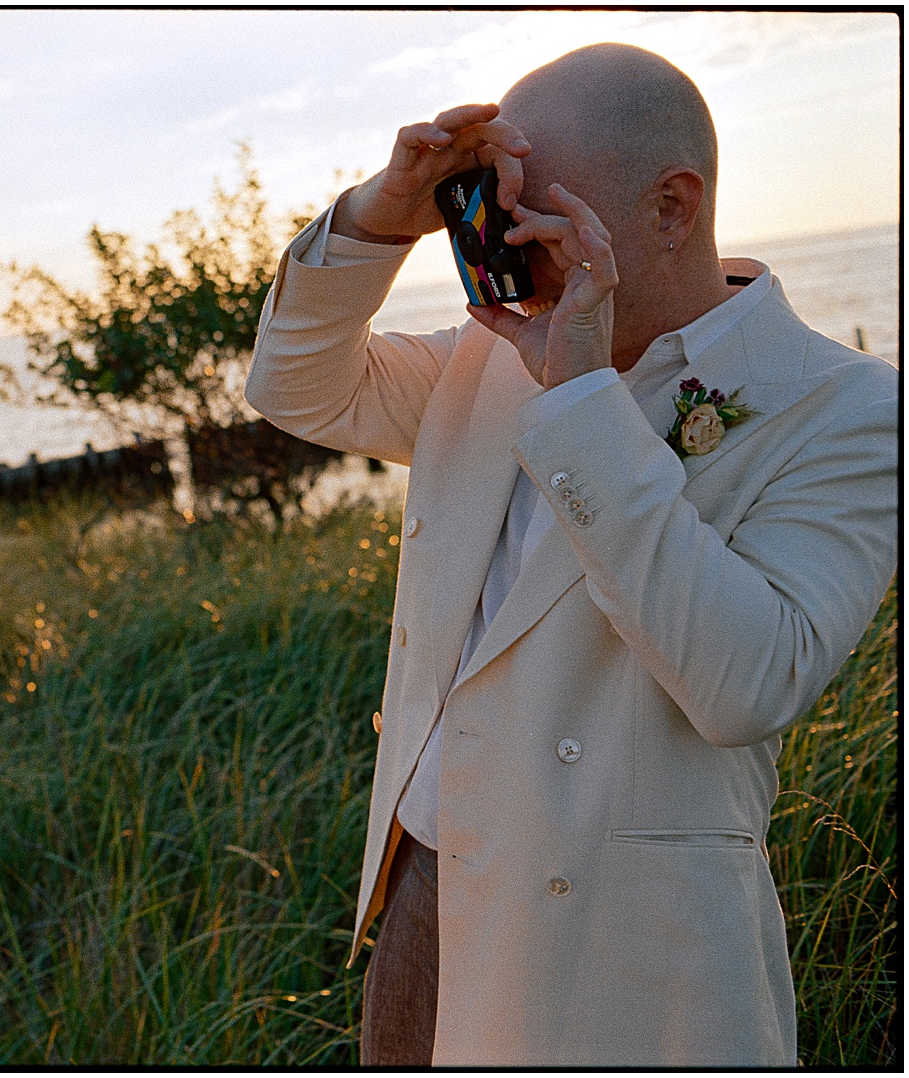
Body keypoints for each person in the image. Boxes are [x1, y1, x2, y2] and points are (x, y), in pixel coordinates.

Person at [244, 43, 897, 1066]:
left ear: (671, 208)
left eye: (535, 216)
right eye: (492, 210)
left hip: (629, 953)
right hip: (426, 890)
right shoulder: (483, 354)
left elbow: (747, 681)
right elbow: (294, 388)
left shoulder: (847, 409)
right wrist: (379, 215)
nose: (501, 247)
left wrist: (584, 399)